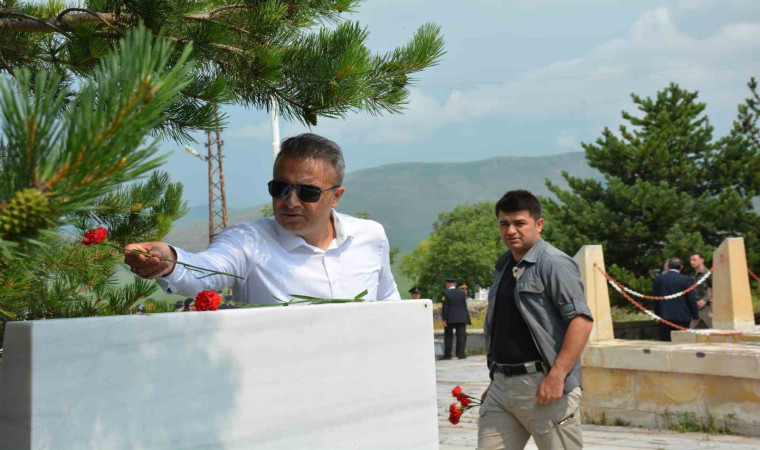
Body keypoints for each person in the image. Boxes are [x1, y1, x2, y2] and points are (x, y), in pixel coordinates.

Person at [124, 133, 400, 303]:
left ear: (336, 196)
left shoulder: (370, 236)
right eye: (280, 188)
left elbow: (389, 300)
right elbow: (204, 271)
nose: (290, 202)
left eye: (307, 192)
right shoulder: (247, 242)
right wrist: (168, 259)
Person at [479, 190, 593, 450]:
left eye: (519, 223)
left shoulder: (553, 263)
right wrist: (497, 378)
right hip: (501, 388)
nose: (511, 230)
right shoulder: (504, 265)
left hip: (544, 385)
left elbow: (581, 320)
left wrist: (557, 376)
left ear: (538, 224)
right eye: (504, 224)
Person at [653, 257, 699, 341]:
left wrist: (657, 315)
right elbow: (691, 299)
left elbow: (656, 299)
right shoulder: (687, 280)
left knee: (665, 342)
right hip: (682, 316)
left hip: (664, 315)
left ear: (668, 266)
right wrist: (695, 315)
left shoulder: (658, 279)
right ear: (681, 267)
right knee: (682, 342)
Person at [441, 277, 470, 360]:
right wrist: (466, 318)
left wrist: (444, 319)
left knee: (448, 336)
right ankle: (461, 354)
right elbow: (464, 306)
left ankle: (448, 354)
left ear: (448, 284)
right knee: (461, 336)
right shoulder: (462, 293)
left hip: (450, 318)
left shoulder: (446, 293)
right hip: (461, 317)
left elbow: (445, 307)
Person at [689, 252, 713, 329]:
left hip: (707, 307)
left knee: (714, 328)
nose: (691, 262)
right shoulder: (692, 275)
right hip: (694, 307)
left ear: (702, 260)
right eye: (691, 260)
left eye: (694, 260)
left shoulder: (709, 273)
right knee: (689, 330)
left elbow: (714, 288)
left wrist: (705, 300)